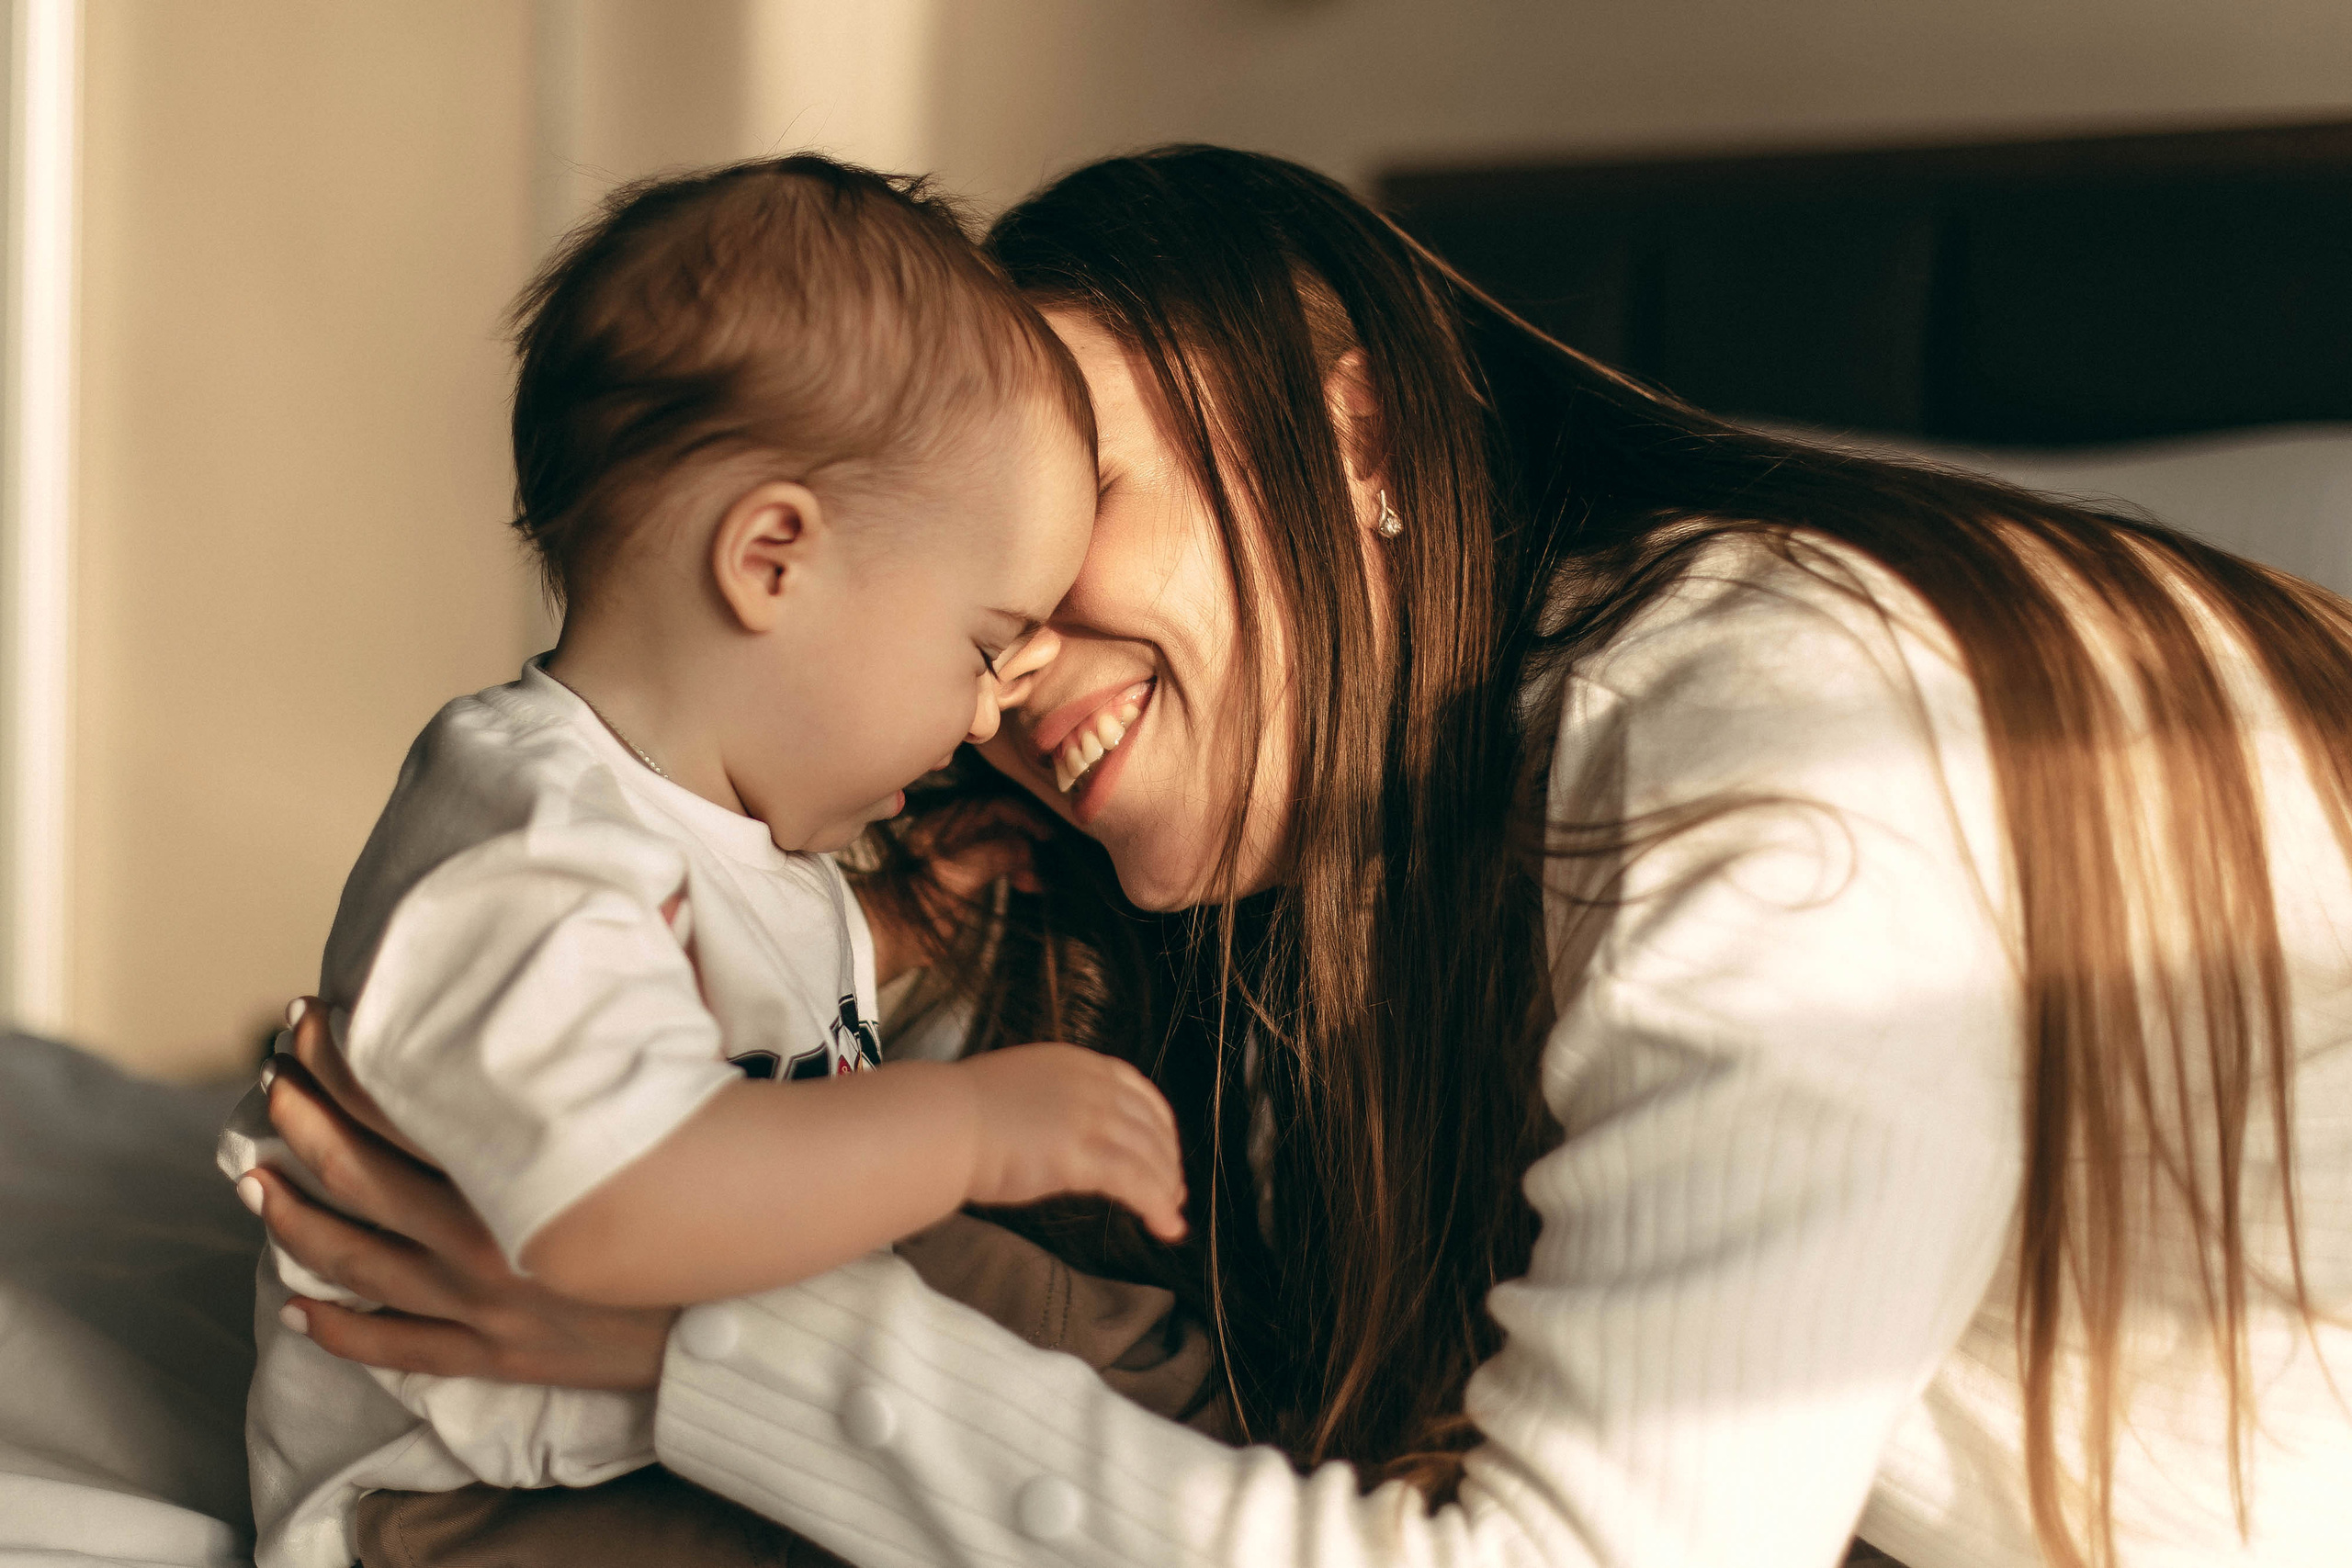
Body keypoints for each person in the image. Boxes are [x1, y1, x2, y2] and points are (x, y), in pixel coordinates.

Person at [243, 144, 2352, 1568]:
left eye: (1078, 540)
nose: (998, 682)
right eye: (977, 601)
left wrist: (696, 1342)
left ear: (1350, 439)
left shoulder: (1761, 749)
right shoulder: (1365, 864)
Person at [220, 153, 1197, 1568]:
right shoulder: (528, 850)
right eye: (985, 648)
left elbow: (741, 984)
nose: (995, 715)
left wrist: (903, 914)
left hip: (622, 1436)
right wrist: (968, 1127)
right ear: (772, 560)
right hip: (480, 1500)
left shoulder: (682, 820)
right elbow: (618, 1209)